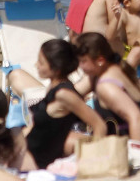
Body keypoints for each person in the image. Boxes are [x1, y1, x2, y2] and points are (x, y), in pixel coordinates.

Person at [7, 39, 106, 168]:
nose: (36, 65)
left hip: (37, 160)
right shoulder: (54, 87)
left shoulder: (64, 94)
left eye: (41, 62)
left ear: (56, 69)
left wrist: (94, 162)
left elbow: (99, 126)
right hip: (28, 150)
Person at [74, 32, 140, 141]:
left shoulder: (106, 86)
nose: (80, 66)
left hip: (133, 144)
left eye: (83, 61)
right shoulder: (120, 68)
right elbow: (73, 93)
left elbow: (136, 118)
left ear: (100, 60)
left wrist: (137, 154)